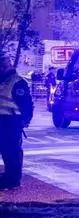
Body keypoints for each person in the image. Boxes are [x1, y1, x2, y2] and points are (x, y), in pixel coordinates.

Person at [0, 54, 34, 190]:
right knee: (4, 149)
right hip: (2, 120)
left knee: (11, 150)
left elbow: (26, 103)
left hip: (11, 121)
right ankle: (9, 176)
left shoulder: (17, 82)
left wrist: (25, 120)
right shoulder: (3, 81)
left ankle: (13, 179)